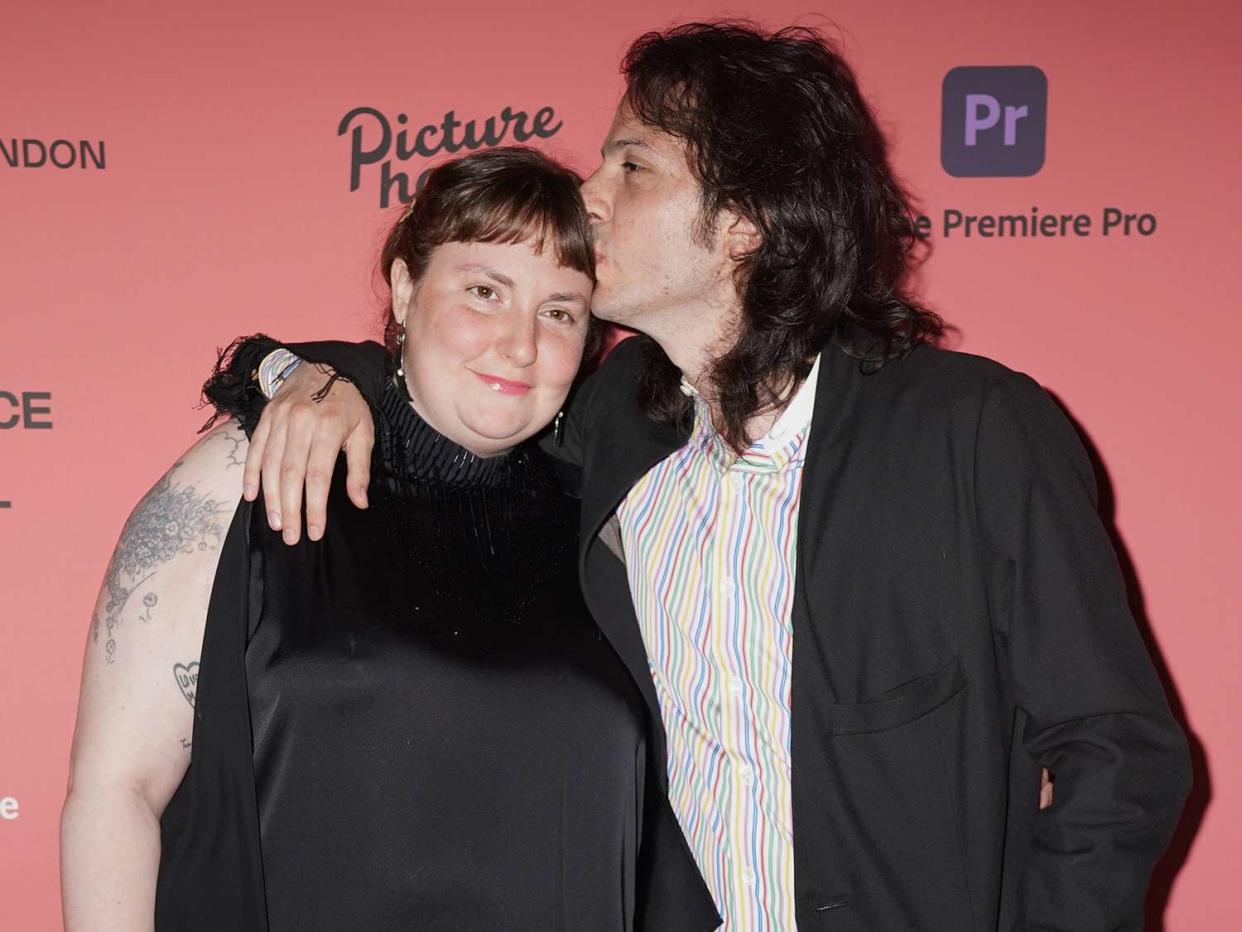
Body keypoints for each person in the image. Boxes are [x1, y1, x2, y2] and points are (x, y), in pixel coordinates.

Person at [206, 22, 1192, 931]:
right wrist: (306, 373)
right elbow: (456, 389)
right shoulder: (614, 420)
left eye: (632, 165)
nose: (587, 195)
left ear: (745, 222)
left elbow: (1121, 753)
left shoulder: (971, 431)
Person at [60, 146, 720, 932]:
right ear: (406, 288)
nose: (519, 344)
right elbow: (117, 792)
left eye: (559, 312)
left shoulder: (607, 529)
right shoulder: (257, 467)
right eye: (484, 291)